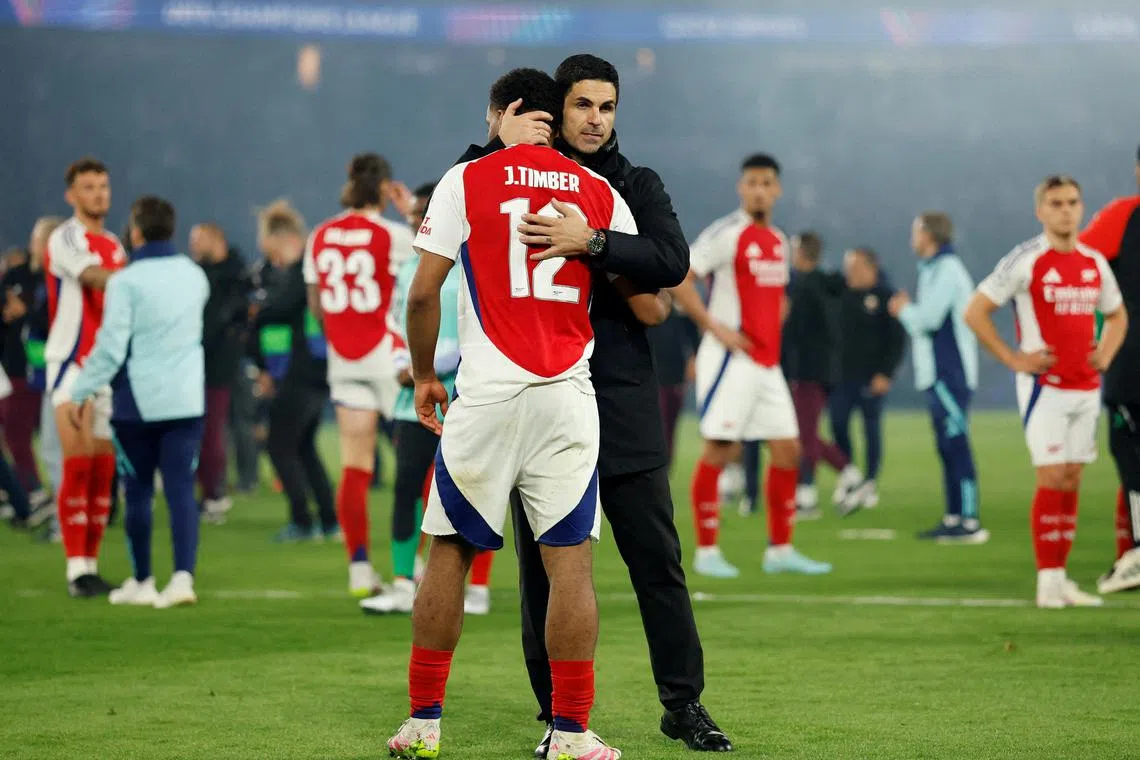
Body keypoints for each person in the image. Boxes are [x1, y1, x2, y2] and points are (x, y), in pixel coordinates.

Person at [459, 54, 732, 755]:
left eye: (607, 108)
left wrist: (597, 242)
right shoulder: (514, 171)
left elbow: (672, 262)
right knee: (541, 570)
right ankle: (557, 715)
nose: (595, 119)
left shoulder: (635, 183)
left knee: (656, 559)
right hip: (540, 394)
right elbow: (461, 184)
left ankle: (684, 703)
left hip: (619, 392)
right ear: (555, 109)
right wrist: (502, 134)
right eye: (582, 106)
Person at [388, 68, 661, 760]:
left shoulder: (468, 179)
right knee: (571, 568)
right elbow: (646, 293)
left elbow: (422, 296)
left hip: (487, 393)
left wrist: (424, 376)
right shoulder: (598, 190)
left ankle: (423, 725)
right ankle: (570, 732)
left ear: (498, 114)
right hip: (569, 394)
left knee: (448, 553)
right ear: (556, 116)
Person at [964, 175, 1127, 608]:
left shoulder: (1094, 261)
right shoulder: (1027, 260)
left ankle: (1061, 579)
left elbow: (1117, 315)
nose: (1066, 210)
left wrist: (1105, 355)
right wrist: (1014, 358)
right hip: (1045, 388)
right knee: (1051, 476)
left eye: (1073, 202)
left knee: (1072, 478)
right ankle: (1046, 581)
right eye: (1056, 203)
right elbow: (976, 310)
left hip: (1086, 387)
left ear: (1082, 206)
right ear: (1040, 211)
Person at [671, 153, 831, 580]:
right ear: (742, 189)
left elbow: (777, 296)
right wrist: (713, 327)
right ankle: (706, 552)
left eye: (767, 183)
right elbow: (679, 276)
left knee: (788, 450)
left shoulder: (779, 240)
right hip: (730, 359)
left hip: (766, 363)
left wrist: (775, 318)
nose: (760, 190)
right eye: (752, 183)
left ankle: (779, 550)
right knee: (721, 449)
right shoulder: (727, 233)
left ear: (777, 190)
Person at [57, 196, 209, 608]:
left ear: (136, 232)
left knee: (138, 492)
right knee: (180, 489)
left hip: (137, 403)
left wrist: (80, 390)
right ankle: (182, 580)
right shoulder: (195, 276)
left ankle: (142, 581)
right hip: (186, 399)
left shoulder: (126, 280)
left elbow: (109, 349)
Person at [302, 153, 414, 597]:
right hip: (389, 358)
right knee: (416, 464)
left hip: (344, 359)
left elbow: (316, 306)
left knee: (355, 465)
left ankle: (359, 567)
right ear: (386, 188)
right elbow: (424, 287)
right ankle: (413, 563)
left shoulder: (320, 235)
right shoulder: (395, 236)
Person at [44, 157, 127, 597]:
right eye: (89, 187)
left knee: (101, 470)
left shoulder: (114, 242)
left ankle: (91, 566)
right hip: (72, 365)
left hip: (106, 368)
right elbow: (94, 278)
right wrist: (143, 282)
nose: (98, 194)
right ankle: (76, 569)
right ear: (71, 195)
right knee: (78, 466)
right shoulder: (66, 237)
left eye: (103, 186)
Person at [888, 212, 985, 543]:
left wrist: (903, 309)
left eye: (915, 230)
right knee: (945, 446)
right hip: (938, 375)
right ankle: (953, 515)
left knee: (956, 444)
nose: (911, 237)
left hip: (950, 373)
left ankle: (969, 521)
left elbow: (928, 320)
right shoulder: (932, 270)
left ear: (929, 234)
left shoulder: (947, 270)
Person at [253, 201, 338, 543]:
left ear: (279, 239)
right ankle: (329, 520)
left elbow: (278, 306)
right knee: (303, 446)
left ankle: (302, 522)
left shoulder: (300, 268)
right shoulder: (312, 262)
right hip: (318, 368)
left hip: (304, 371)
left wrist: (257, 310)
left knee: (279, 445)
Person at [1077, 145, 1140, 593]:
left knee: (1131, 452)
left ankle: (1137, 552)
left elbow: (1075, 263)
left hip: (1132, 360)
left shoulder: (1124, 214)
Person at [780, 231, 862, 519]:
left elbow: (792, 333)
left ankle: (809, 495)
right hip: (828, 368)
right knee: (807, 432)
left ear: (800, 252)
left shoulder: (802, 288)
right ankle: (848, 476)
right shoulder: (832, 284)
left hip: (805, 369)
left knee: (804, 435)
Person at [828, 247, 906, 513]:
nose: (850, 272)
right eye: (848, 267)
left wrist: (886, 373)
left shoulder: (886, 297)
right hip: (840, 376)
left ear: (872, 268)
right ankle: (848, 476)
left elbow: (897, 340)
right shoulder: (840, 293)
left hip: (872, 377)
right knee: (838, 424)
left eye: (856, 267)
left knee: (871, 429)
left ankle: (870, 482)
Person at [189, 222, 250, 522]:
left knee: (221, 429)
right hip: (201, 361)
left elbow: (240, 317)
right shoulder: (199, 271)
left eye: (198, 240)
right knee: (206, 430)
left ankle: (216, 494)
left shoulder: (237, 274)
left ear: (217, 238)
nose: (194, 246)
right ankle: (211, 491)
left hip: (225, 363)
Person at [1, 243, 51, 510]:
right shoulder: (19, 277)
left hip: (29, 369)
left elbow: (45, 323)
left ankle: (33, 490)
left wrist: (25, 314)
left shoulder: (52, 281)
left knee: (18, 434)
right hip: (16, 369)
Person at [647, 303, 699, 469]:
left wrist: (693, 360)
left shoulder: (680, 308)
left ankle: (666, 470)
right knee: (659, 428)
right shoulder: (647, 302)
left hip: (676, 376)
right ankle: (657, 468)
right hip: (652, 376)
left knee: (670, 428)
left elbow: (693, 336)